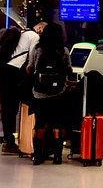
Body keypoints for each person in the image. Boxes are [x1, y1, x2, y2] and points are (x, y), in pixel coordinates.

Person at [0, 18, 44, 156]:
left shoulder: (21, 34)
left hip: (3, 70)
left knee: (6, 106)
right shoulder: (34, 36)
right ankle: (28, 141)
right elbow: (33, 58)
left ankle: (8, 141)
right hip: (15, 73)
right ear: (40, 28)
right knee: (19, 105)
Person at [26, 22, 71, 165]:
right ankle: (57, 156)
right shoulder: (63, 50)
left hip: (39, 94)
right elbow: (68, 70)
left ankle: (38, 156)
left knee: (40, 124)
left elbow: (29, 68)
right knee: (57, 123)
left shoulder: (37, 49)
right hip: (58, 93)